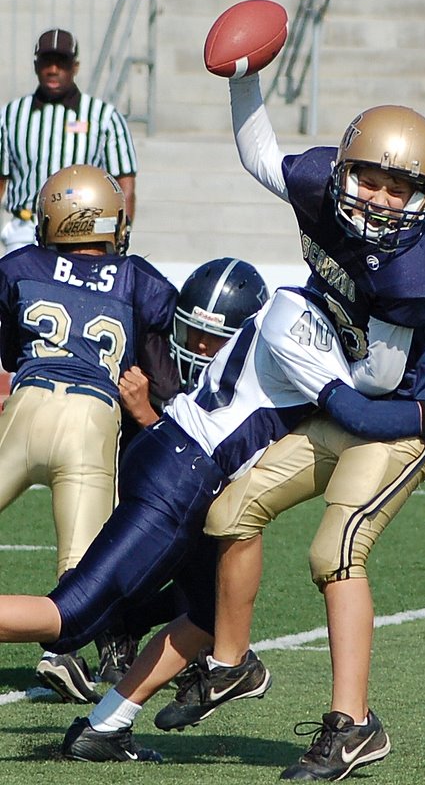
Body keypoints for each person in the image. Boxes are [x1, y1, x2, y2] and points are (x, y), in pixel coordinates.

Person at [133, 72, 425, 781]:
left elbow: (372, 389)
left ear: (423, 201)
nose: (380, 199)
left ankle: (353, 725)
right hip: (345, 400)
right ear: (341, 175)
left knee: (334, 550)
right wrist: (243, 79)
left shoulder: (415, 269)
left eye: (399, 191)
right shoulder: (315, 189)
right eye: (369, 181)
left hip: (401, 417)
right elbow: (258, 153)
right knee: (230, 511)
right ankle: (229, 664)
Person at [0, 274, 425, 762]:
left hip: (172, 457)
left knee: (211, 613)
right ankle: (231, 666)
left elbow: (336, 421)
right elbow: (362, 417)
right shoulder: (304, 329)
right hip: (185, 477)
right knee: (69, 615)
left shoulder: (292, 306)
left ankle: (108, 725)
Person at [43, 255, 270, 701]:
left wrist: (150, 415)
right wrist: (146, 416)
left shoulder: (251, 380)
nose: (201, 348)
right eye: (194, 334)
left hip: (198, 494)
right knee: (177, 588)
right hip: (144, 493)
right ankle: (79, 642)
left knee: (208, 598)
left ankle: (122, 630)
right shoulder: (151, 357)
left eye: (214, 340)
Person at [0, 163, 177, 702]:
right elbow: (160, 378)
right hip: (92, 417)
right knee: (80, 563)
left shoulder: (20, 265)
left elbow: (9, 351)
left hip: (25, 406)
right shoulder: (138, 280)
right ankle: (61, 654)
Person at [0, 28, 137, 254]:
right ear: (36, 66)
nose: (53, 70)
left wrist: (123, 233)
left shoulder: (103, 116)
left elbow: (124, 182)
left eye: (61, 62)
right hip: (26, 227)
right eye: (46, 62)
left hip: (84, 229)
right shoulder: (11, 115)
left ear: (75, 66)